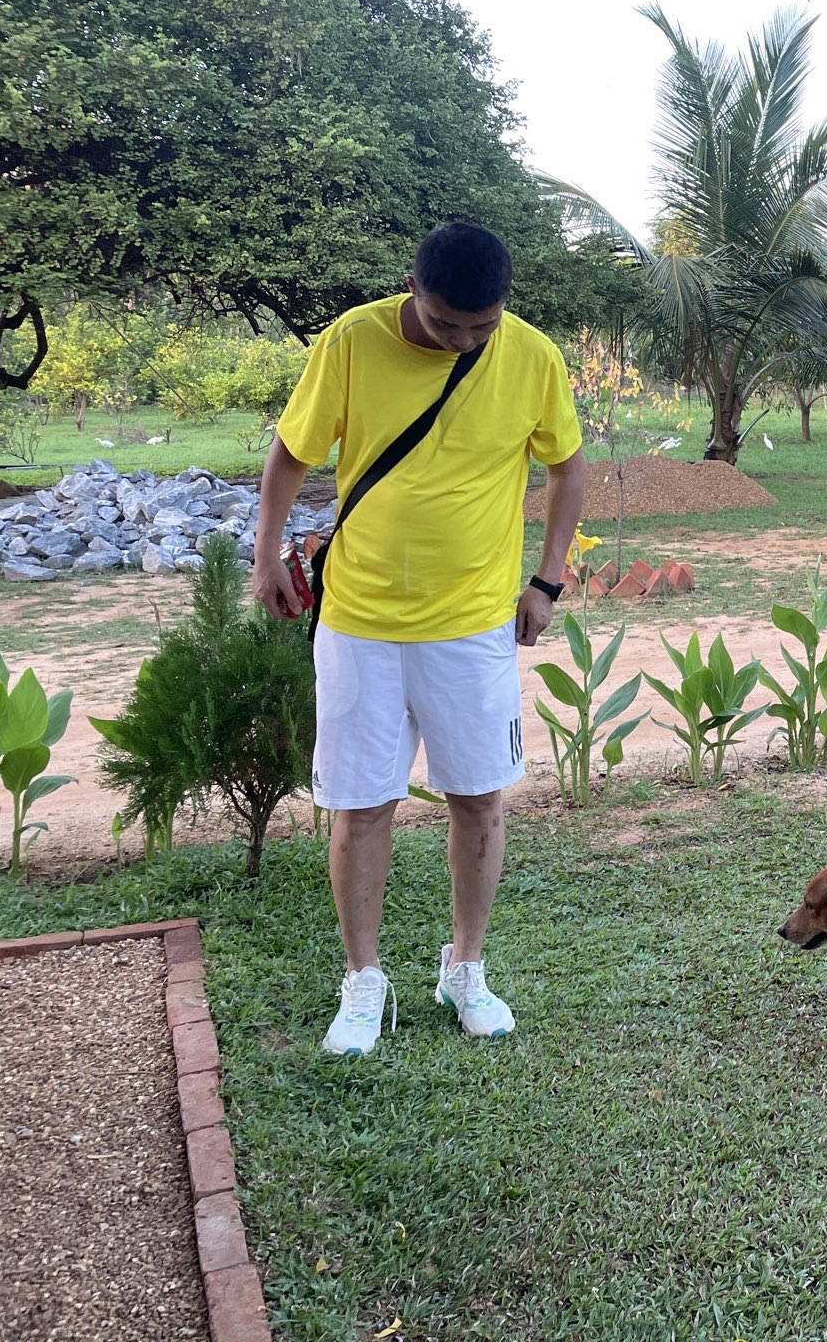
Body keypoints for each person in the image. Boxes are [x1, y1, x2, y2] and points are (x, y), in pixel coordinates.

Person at [252, 221, 586, 1056]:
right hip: (360, 622)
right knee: (361, 806)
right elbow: (292, 452)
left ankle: (464, 968)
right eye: (446, 326)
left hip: (472, 625)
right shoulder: (352, 341)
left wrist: (547, 578)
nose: (464, 340)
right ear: (413, 289)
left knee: (478, 799)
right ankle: (363, 982)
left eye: (481, 328)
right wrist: (265, 553)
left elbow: (567, 465)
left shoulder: (532, 355)